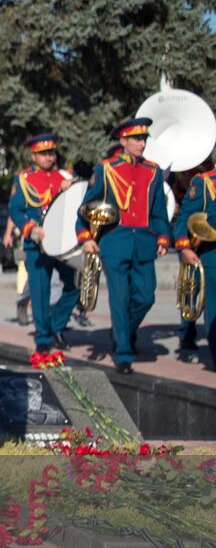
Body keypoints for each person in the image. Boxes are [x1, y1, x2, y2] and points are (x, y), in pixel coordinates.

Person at [76, 118, 171, 375]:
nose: (142, 144)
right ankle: (124, 353)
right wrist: (85, 238)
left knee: (146, 296)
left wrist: (163, 237)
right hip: (114, 243)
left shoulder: (153, 170)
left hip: (144, 243)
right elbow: (86, 208)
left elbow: (158, 210)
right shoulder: (106, 169)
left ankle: (124, 332)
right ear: (123, 141)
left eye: (144, 139)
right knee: (120, 299)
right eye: (137, 139)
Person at [8, 133, 80, 353]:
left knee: (75, 286)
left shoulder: (65, 176)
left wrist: (74, 185)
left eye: (51, 153)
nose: (48, 157)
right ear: (34, 156)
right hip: (37, 243)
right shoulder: (24, 178)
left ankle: (56, 326)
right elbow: (16, 210)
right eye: (43, 154)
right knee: (40, 292)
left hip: (63, 243)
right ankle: (43, 337)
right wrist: (29, 229)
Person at [176, 161, 216, 369]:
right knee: (214, 310)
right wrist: (184, 247)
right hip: (212, 255)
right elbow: (185, 217)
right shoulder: (204, 182)